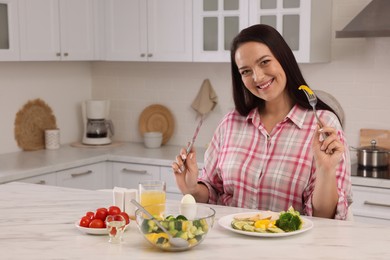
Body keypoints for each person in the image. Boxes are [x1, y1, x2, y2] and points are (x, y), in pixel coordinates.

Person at [172, 24, 352, 220]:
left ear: (283, 59)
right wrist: (192, 189)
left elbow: (324, 218)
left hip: (290, 249)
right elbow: (214, 191)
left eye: (264, 62)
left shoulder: (323, 125)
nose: (257, 77)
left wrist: (326, 170)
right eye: (246, 71)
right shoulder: (230, 123)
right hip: (230, 245)